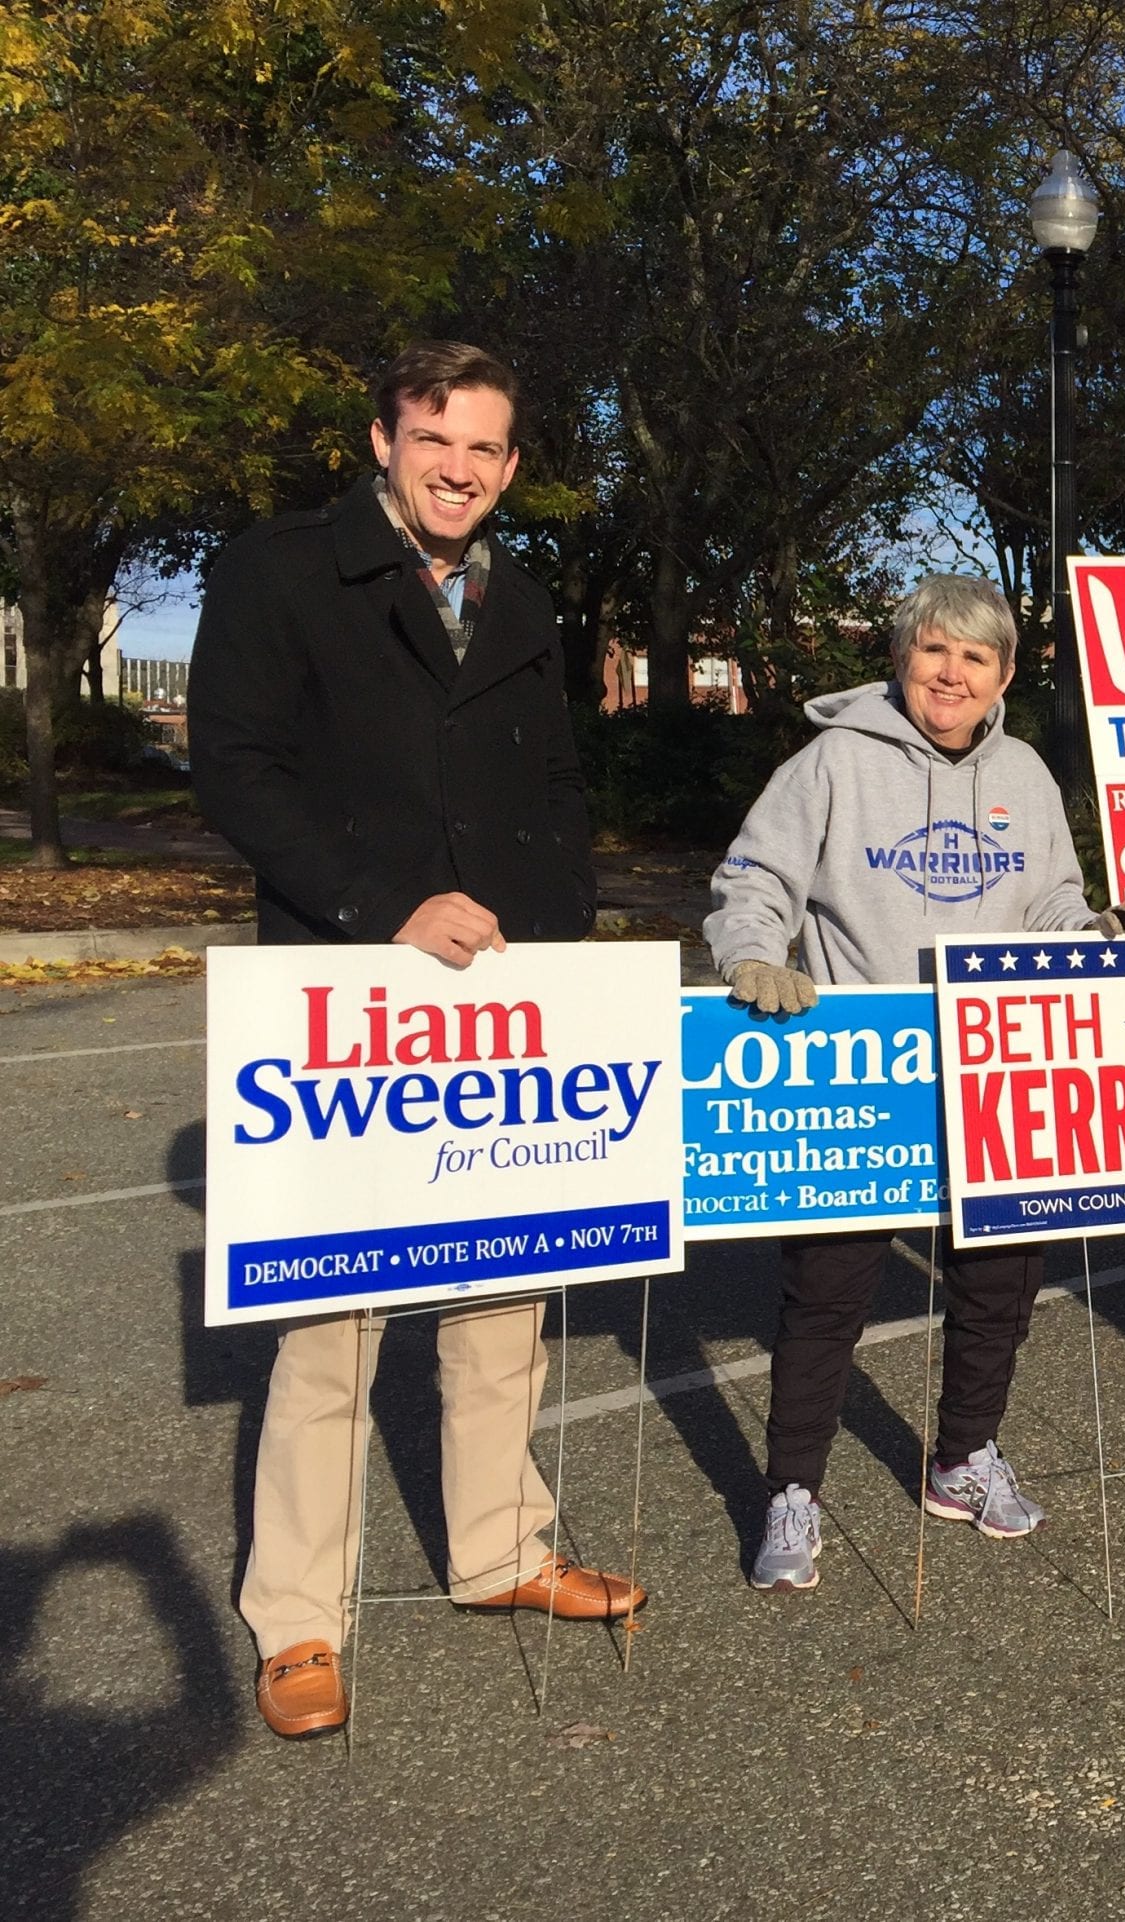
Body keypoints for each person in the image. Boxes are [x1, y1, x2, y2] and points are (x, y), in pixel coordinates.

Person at [191, 341, 638, 1742]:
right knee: (332, 1324)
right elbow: (235, 766)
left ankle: (502, 1547)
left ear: (512, 467)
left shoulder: (524, 595)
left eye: (488, 449)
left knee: (504, 1300)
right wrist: (387, 908)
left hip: (508, 992)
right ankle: (300, 1617)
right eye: (437, 438)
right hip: (347, 986)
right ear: (384, 434)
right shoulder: (280, 569)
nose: (460, 468)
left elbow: (557, 781)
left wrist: (559, 933)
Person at [704, 576, 1125, 1587]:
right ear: (902, 657)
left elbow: (1051, 899)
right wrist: (754, 953)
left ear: (1005, 674)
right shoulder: (834, 759)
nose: (952, 672)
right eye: (934, 650)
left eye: (976, 657)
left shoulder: (1022, 770)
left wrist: (1101, 933)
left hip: (999, 1061)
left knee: (997, 1284)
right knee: (828, 1290)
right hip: (865, 1072)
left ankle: (963, 1455)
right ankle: (792, 1488)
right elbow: (755, 878)